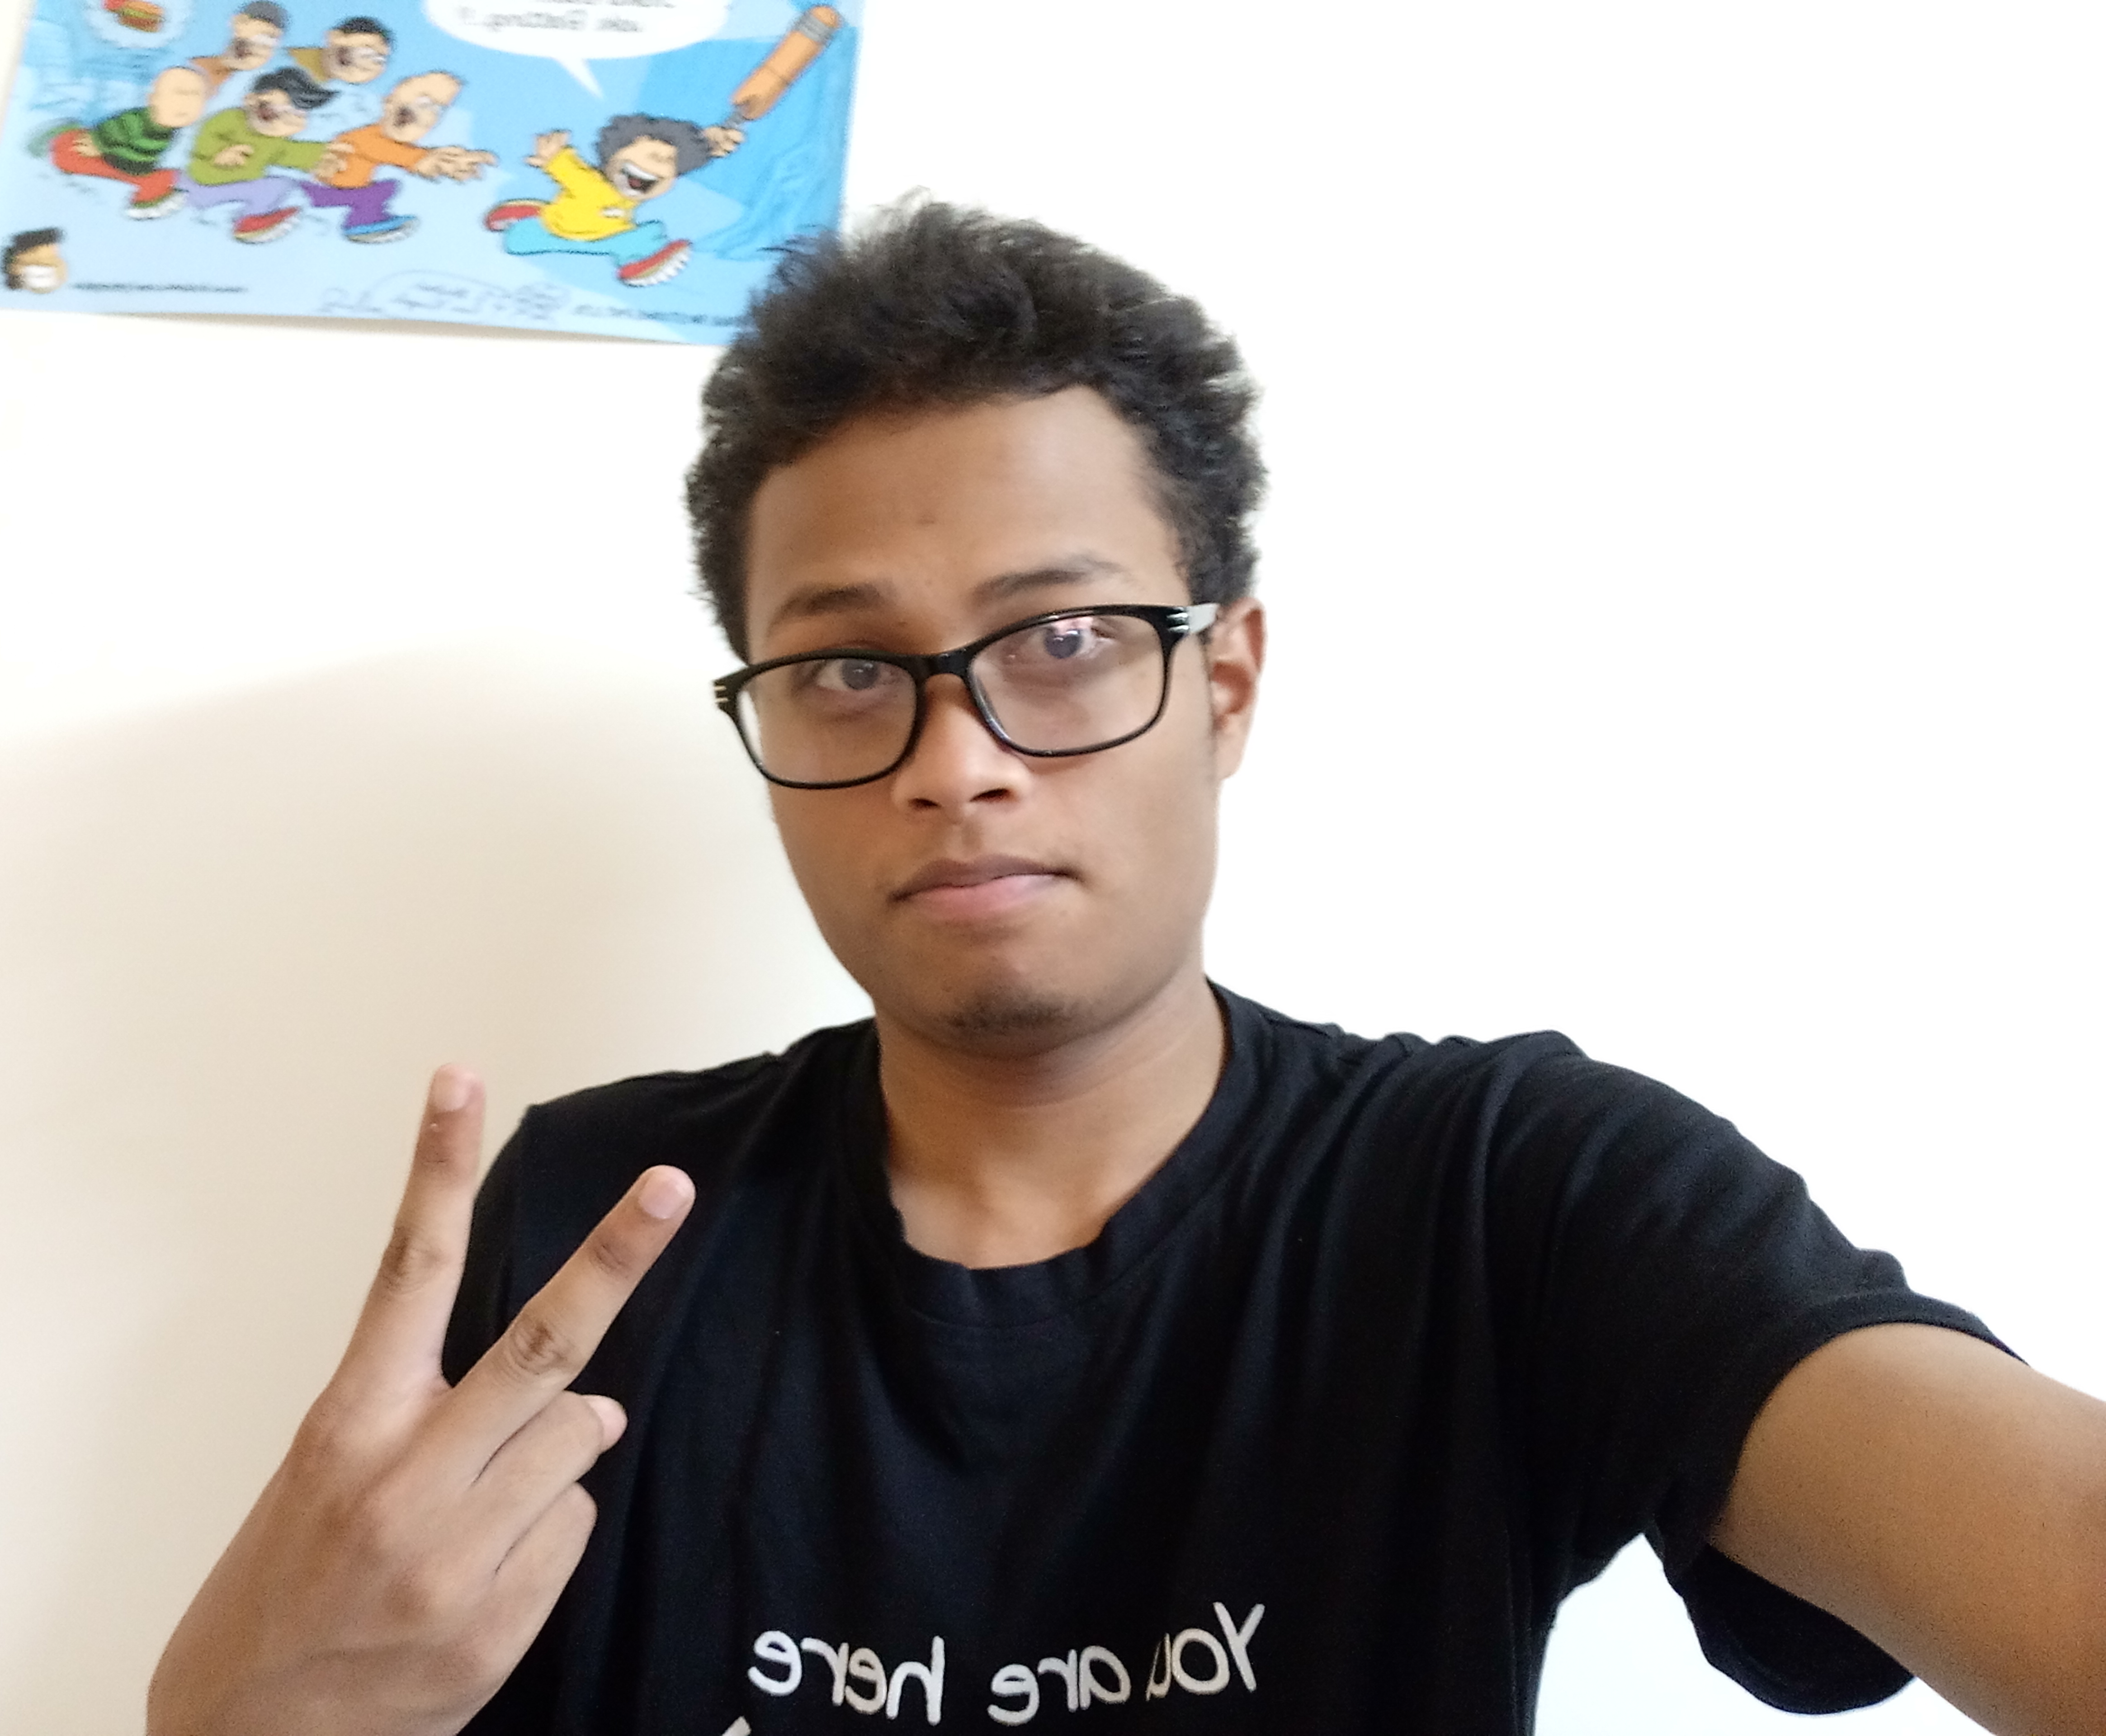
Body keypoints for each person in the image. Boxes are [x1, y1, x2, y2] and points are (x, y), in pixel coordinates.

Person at [145, 203, 2106, 1736]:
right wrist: (248, 1710)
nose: (957, 758)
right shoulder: (595, 1226)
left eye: (1063, 638)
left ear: (1223, 680)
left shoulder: (1506, 1189)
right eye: (846, 669)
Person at [482, 113, 743, 287]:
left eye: (668, 161)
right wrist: (554, 155)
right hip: (559, 229)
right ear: (614, 154)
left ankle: (637, 265)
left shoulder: (636, 191)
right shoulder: (591, 184)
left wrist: (706, 145)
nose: (657, 165)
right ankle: (532, 214)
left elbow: (690, 157)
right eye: (653, 155)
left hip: (609, 236)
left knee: (647, 235)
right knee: (519, 241)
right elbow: (568, 168)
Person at [304, 70, 494, 243]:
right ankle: (362, 223)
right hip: (323, 192)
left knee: (386, 188)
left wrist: (444, 159)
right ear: (388, 102)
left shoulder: (380, 137)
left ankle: (364, 220)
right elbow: (398, 154)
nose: (426, 113)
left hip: (345, 190)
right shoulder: (366, 138)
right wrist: (437, 161)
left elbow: (405, 153)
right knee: (382, 191)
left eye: (436, 109)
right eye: (423, 102)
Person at [177, 66, 348, 243]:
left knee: (282, 185)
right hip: (205, 179)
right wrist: (219, 153)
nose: (281, 121)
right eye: (270, 112)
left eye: (296, 115)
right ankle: (251, 221)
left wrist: (324, 154)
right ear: (250, 100)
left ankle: (251, 221)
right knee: (273, 186)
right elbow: (207, 136)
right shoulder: (230, 119)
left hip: (239, 184)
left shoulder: (274, 140)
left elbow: (289, 152)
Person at [38, 64, 208, 217]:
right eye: (180, 94)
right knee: (72, 152)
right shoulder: (138, 121)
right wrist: (98, 143)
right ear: (153, 99)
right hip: (112, 159)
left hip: (135, 165)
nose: (185, 104)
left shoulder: (170, 129)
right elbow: (113, 129)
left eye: (196, 98)